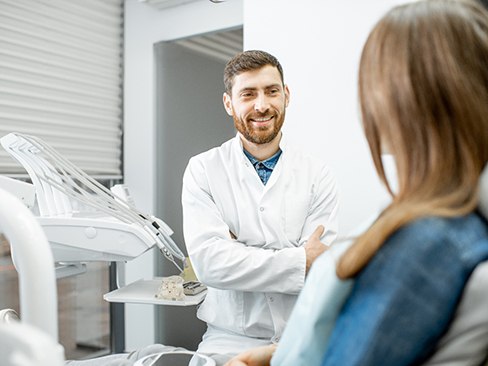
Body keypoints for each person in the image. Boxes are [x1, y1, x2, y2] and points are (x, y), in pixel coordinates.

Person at [226, 0, 488, 365]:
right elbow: (214, 262)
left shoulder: (426, 245)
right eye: (248, 94)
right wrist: (282, 352)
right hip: (241, 336)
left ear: (402, 101)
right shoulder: (442, 222)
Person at [181, 50, 339, 364]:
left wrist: (239, 252)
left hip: (302, 333)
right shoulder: (203, 170)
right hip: (228, 340)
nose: (262, 105)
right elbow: (211, 264)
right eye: (248, 94)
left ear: (286, 95)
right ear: (229, 103)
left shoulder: (317, 174)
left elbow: (320, 265)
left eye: (271, 91)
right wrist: (297, 258)